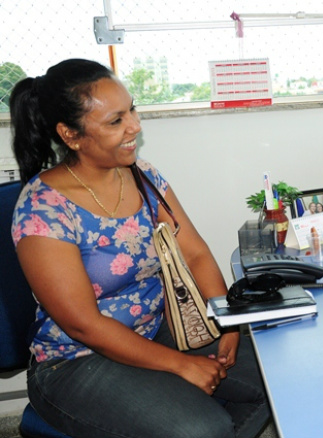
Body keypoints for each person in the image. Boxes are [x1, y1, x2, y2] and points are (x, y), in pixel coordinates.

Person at [9, 59, 270, 438]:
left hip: (158, 328)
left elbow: (194, 253)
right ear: (70, 135)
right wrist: (181, 366)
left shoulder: (142, 174)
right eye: (115, 121)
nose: (135, 125)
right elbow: (84, 324)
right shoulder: (43, 209)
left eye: (131, 109)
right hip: (77, 360)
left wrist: (225, 321)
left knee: (282, 376)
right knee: (203, 429)